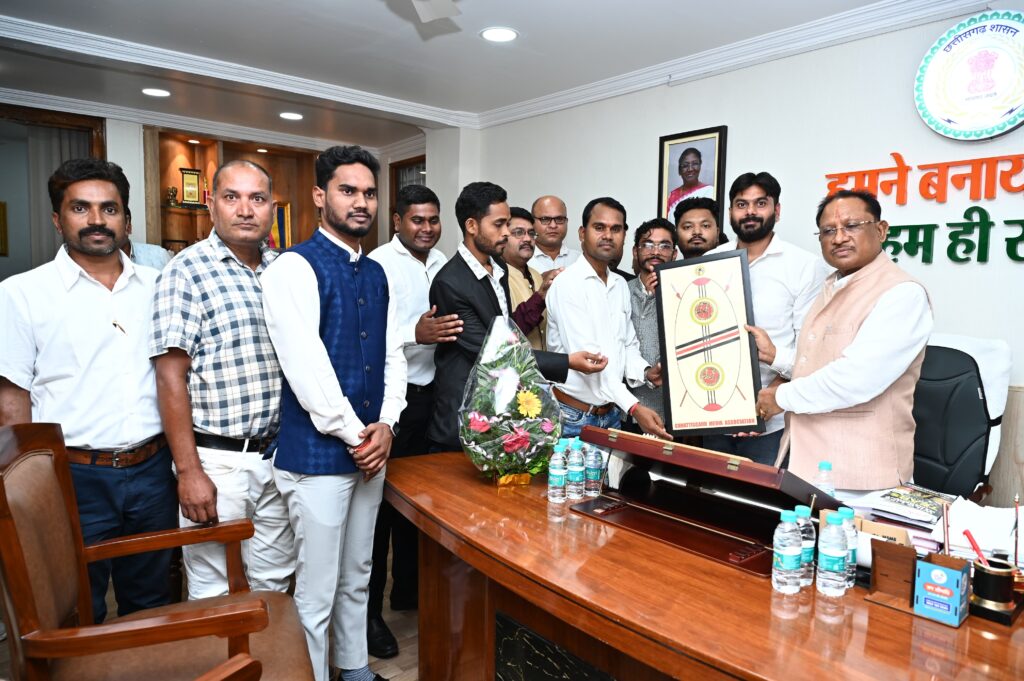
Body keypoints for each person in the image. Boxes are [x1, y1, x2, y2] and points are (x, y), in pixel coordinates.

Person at [0, 158, 176, 622]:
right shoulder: (22, 293)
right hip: (73, 475)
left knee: (152, 601)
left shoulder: (160, 286)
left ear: (127, 220)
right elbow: (12, 401)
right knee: (76, 607)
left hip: (154, 470)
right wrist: (25, 486)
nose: (97, 220)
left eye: (109, 209)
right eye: (81, 208)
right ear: (57, 219)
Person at [262, 145, 405, 681]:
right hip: (319, 456)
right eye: (348, 191)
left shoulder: (377, 272)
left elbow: (393, 353)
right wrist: (358, 434)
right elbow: (307, 369)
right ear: (320, 196)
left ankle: (355, 669)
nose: (361, 202)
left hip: (371, 449)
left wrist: (388, 423)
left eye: (369, 192)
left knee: (359, 574)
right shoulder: (293, 267)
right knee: (316, 590)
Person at [150, 160, 294, 601]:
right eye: (232, 197)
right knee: (215, 590)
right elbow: (170, 376)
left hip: (279, 457)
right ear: (212, 205)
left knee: (274, 585)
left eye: (257, 198)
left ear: (272, 209)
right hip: (218, 463)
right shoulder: (186, 270)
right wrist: (189, 472)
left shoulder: (285, 270)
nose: (245, 210)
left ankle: (267, 651)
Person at [752, 190, 932, 491]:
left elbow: (857, 378)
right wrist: (775, 356)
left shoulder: (902, 293)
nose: (838, 238)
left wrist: (779, 398)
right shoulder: (832, 285)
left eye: (851, 226)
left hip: (861, 475)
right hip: (807, 463)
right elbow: (822, 361)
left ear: (881, 230)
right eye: (828, 231)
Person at [428, 182, 607, 451]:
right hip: (463, 415)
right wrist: (567, 362)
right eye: (498, 225)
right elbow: (495, 351)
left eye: (507, 223)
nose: (506, 232)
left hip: (499, 407)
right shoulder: (450, 283)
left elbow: (507, 328)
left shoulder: (498, 266)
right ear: (472, 225)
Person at [365, 184, 459, 659]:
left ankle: (408, 591)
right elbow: (368, 336)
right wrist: (414, 333)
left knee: (418, 505)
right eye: (417, 220)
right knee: (377, 513)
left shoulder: (443, 263)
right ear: (397, 221)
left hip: (433, 402)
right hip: (391, 406)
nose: (426, 228)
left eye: (433, 220)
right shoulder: (378, 264)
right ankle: (369, 615)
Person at [702, 172, 830, 465]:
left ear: (777, 210)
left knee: (762, 494)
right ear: (730, 212)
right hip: (712, 414)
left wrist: (771, 396)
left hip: (771, 424)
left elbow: (810, 349)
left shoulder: (804, 266)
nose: (750, 212)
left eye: (760, 203)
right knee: (710, 491)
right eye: (741, 204)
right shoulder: (710, 262)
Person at [546, 197, 671, 440]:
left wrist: (645, 372)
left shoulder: (619, 284)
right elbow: (591, 363)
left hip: (610, 413)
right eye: (599, 227)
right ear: (582, 233)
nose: (607, 235)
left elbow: (627, 344)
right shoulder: (568, 285)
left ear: (624, 235)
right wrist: (634, 407)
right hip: (574, 416)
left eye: (616, 229)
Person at [625, 219, 678, 422]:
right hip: (626, 411)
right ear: (635, 251)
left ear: (674, 253)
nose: (655, 252)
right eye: (647, 244)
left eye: (664, 246)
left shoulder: (686, 293)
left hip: (672, 412)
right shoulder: (619, 290)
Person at [504, 206, 559, 350]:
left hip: (547, 362)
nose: (528, 239)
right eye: (519, 233)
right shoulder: (496, 278)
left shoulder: (537, 276)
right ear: (502, 236)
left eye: (531, 233)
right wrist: (540, 297)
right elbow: (504, 337)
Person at [528, 194, 580, 273]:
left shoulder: (580, 260)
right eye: (545, 219)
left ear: (566, 222)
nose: (553, 225)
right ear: (532, 222)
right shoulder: (521, 260)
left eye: (559, 219)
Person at [665, 148, 715, 220]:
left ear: (700, 166)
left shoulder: (710, 191)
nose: (690, 169)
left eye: (695, 164)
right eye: (685, 165)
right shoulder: (672, 196)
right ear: (679, 170)